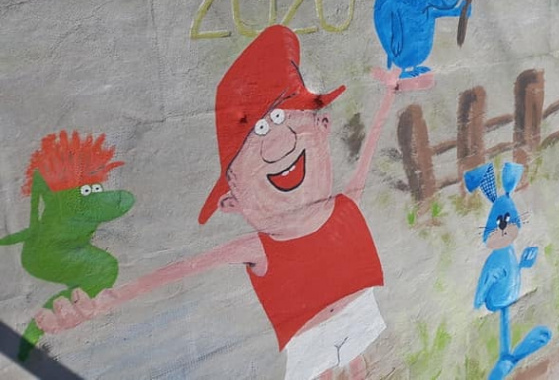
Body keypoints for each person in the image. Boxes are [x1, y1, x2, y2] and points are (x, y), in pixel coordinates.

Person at [34, 25, 431, 380]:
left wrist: (387, 96)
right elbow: (179, 271)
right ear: (231, 201)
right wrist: (103, 301)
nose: (278, 145)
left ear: (322, 126)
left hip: (356, 318)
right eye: (258, 132)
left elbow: (368, 153)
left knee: (362, 369)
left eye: (281, 120)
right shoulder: (262, 246)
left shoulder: (343, 206)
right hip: (310, 339)